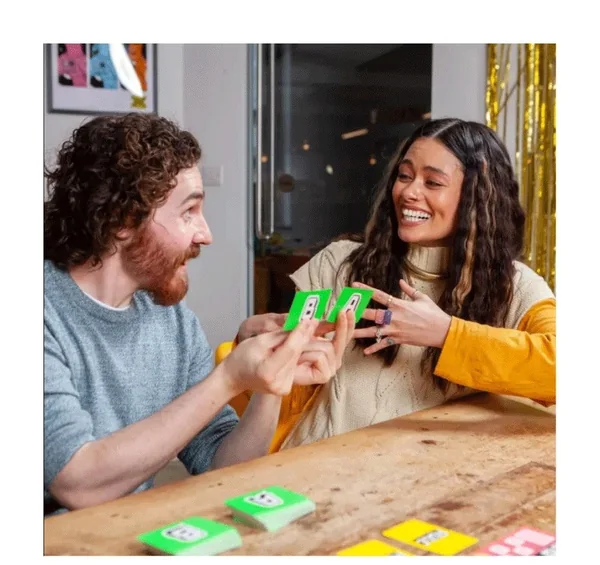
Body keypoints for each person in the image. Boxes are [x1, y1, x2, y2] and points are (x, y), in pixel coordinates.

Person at [43, 113, 354, 514]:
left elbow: (224, 467)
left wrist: (269, 384)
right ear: (122, 222)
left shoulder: (171, 320)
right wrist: (227, 379)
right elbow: (76, 484)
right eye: (189, 211)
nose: (205, 234)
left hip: (126, 534)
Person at [231, 117, 556, 451]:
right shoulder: (339, 264)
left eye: (433, 182)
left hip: (419, 476)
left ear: (477, 196)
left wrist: (446, 334)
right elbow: (280, 391)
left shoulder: (514, 287)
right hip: (312, 461)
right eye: (404, 176)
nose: (409, 192)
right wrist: (255, 343)